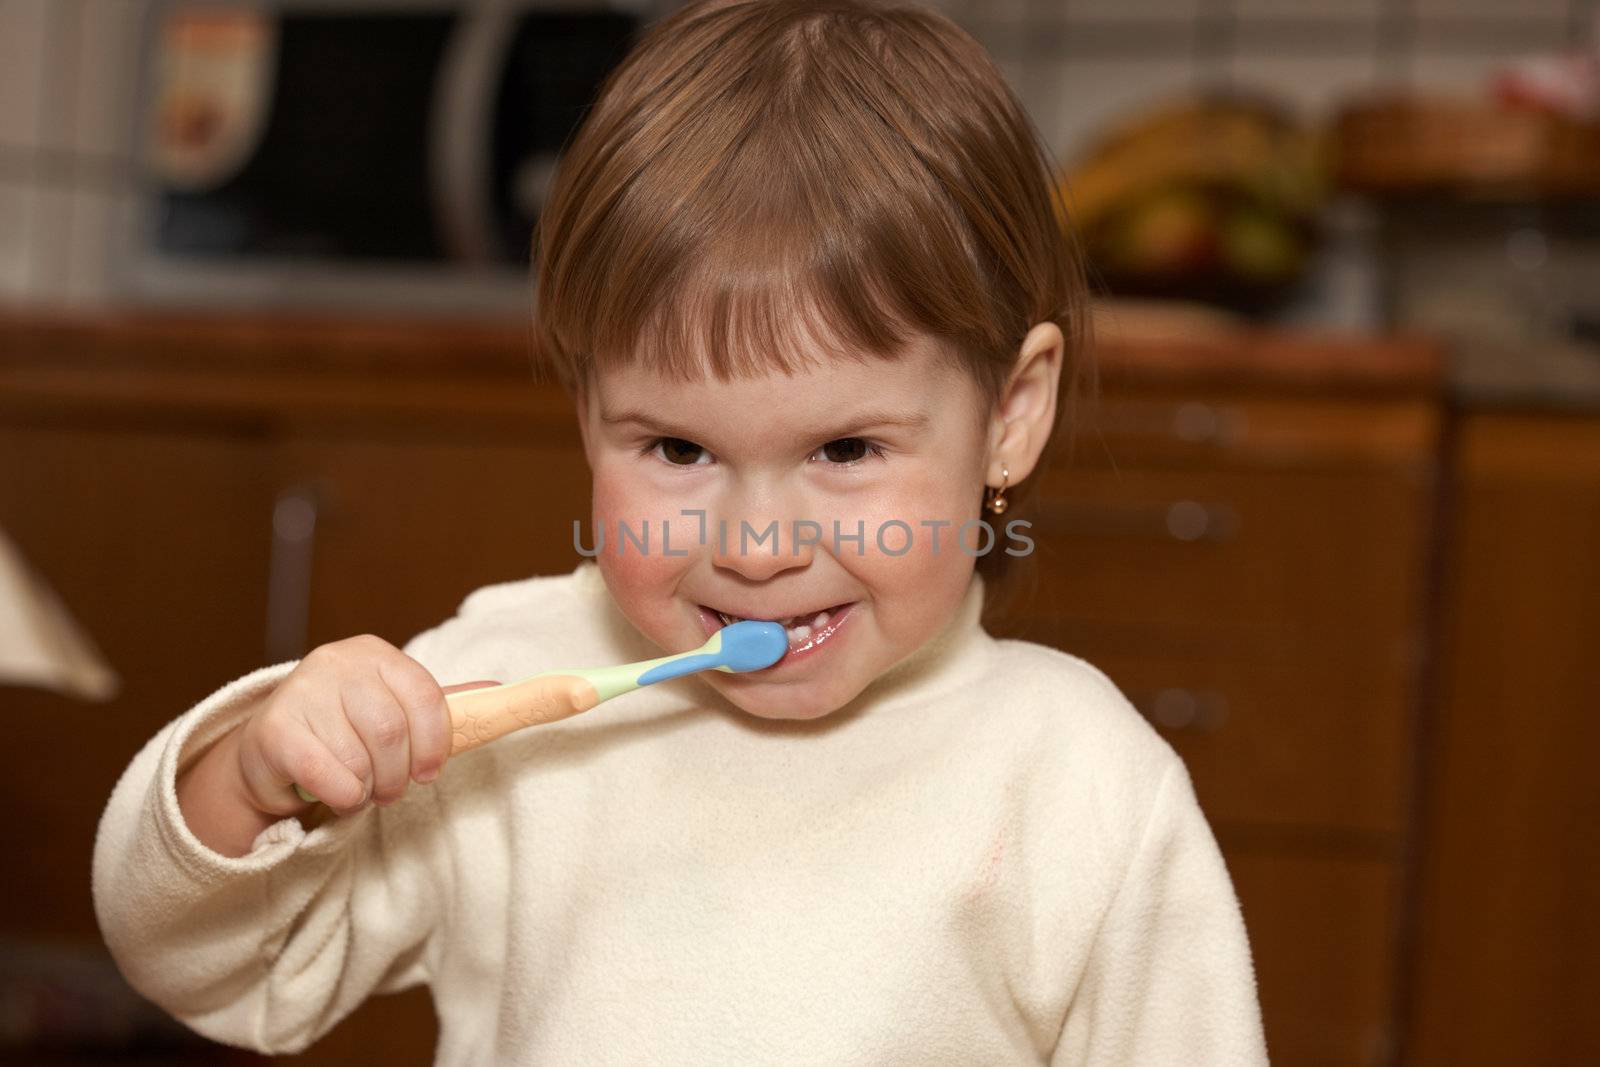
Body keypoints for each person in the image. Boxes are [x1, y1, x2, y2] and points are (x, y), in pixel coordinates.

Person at [92, 1, 1269, 1062]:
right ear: (588, 412)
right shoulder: (492, 690)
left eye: (845, 450)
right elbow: (221, 971)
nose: (757, 545)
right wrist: (243, 772)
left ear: (1009, 417)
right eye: (677, 450)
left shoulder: (1080, 786)